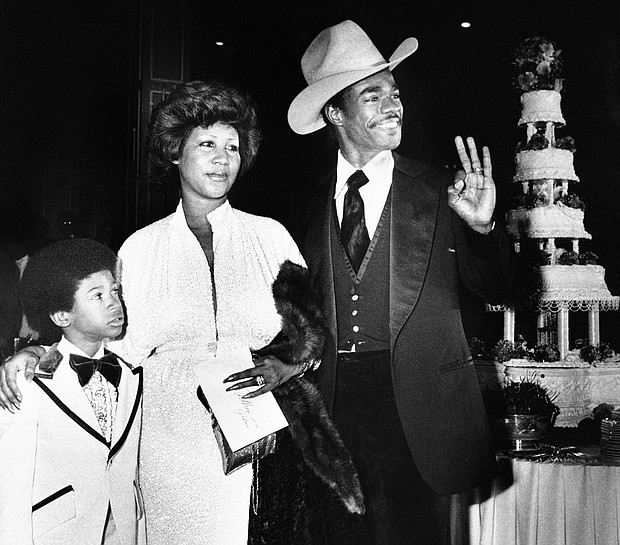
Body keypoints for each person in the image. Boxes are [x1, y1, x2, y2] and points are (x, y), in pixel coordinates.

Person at [0, 80, 324, 545]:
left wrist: (287, 365)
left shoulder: (272, 237)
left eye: (232, 147)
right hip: (170, 446)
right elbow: (105, 343)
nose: (222, 158)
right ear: (176, 152)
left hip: (264, 442)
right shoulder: (142, 247)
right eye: (207, 144)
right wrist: (39, 355)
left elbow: (312, 334)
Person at [284, 20, 514, 545]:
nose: (394, 105)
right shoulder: (299, 204)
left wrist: (481, 229)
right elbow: (290, 313)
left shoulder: (442, 188)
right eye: (373, 95)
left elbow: (500, 290)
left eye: (395, 93)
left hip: (425, 413)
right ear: (334, 114)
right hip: (333, 413)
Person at [0, 238, 144, 545]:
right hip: (60, 534)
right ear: (62, 317)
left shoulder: (132, 373)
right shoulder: (29, 381)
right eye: (97, 296)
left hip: (123, 532)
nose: (113, 303)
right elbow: (11, 481)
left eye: (115, 291)